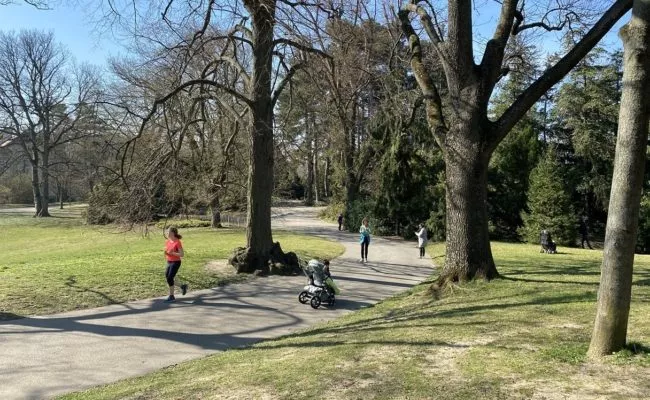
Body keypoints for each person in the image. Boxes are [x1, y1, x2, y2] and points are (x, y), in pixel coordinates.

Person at [163, 227, 187, 302]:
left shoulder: (177, 242)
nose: (167, 233)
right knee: (168, 277)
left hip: (176, 262)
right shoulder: (168, 241)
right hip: (169, 261)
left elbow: (182, 254)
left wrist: (172, 253)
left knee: (170, 277)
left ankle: (171, 296)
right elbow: (168, 250)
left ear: (173, 233)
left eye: (168, 231)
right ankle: (182, 286)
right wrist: (166, 252)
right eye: (167, 231)